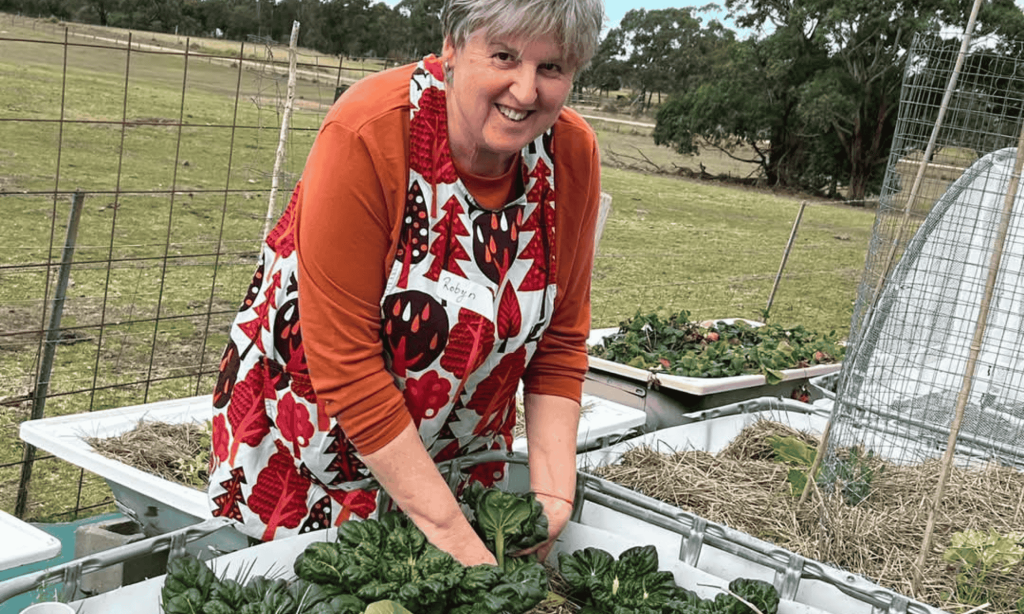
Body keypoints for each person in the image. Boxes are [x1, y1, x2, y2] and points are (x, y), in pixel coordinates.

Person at [207, 0, 604, 567]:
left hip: (460, 463)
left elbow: (560, 343)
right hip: (313, 463)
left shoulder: (571, 154)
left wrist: (553, 496)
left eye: (552, 68)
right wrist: (448, 531)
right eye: (503, 56)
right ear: (451, 47)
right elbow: (344, 360)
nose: (524, 90)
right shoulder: (371, 129)